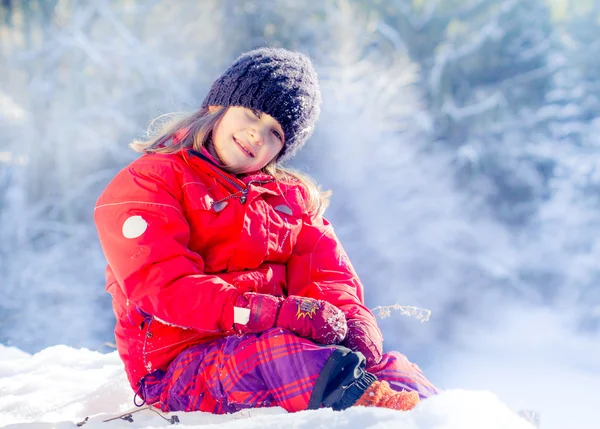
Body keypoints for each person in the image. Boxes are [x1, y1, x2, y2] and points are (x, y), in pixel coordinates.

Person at [94, 47, 439, 415]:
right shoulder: (152, 181)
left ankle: (436, 415)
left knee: (393, 366)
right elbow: (164, 287)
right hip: (180, 367)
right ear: (217, 106)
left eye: (274, 132)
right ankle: (374, 413)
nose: (256, 135)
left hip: (272, 343)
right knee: (281, 358)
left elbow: (328, 275)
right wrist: (274, 313)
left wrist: (354, 322)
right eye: (252, 114)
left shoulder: (290, 201)